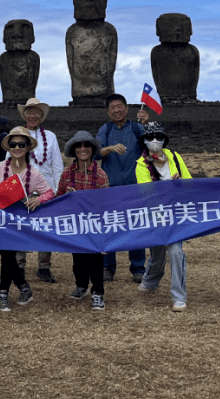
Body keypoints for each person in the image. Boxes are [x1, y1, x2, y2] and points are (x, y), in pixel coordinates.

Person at [0, 126, 56, 311]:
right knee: (7, 256)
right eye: (13, 144)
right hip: (1, 219)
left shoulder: (34, 173)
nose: (17, 148)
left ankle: (3, 292)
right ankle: (23, 287)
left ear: (28, 147)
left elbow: (50, 192)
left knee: (8, 256)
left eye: (21, 144)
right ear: (9, 147)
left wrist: (38, 199)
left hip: (19, 221)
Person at [135, 122, 193, 311]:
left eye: (159, 137)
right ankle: (150, 281)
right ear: (144, 141)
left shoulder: (175, 158)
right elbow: (148, 194)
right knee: (157, 254)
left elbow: (189, 183)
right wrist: (171, 188)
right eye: (150, 138)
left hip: (176, 215)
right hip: (156, 215)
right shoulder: (141, 165)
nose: (154, 141)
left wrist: (179, 184)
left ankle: (178, 296)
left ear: (164, 140)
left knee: (176, 252)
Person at [96, 93, 149, 283]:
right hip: (110, 187)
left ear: (126, 108)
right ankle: (108, 267)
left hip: (134, 186)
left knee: (136, 226)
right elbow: (96, 153)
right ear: (108, 111)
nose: (117, 110)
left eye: (120, 106)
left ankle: (138, 267)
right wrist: (110, 148)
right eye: (113, 108)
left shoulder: (136, 128)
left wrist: (147, 125)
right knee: (110, 226)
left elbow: (152, 147)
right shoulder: (106, 129)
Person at [58, 131, 110, 311]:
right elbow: (58, 197)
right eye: (79, 146)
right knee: (78, 259)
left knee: (95, 259)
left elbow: (106, 204)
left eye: (86, 145)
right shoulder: (66, 174)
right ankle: (81, 286)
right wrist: (67, 196)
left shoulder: (100, 175)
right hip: (74, 224)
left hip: (94, 224)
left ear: (92, 149)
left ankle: (98, 292)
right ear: (74, 150)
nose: (83, 149)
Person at [13, 98, 63, 283]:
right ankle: (19, 266)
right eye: (29, 112)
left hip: (46, 191)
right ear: (24, 115)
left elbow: (57, 164)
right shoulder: (17, 135)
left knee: (45, 230)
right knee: (20, 229)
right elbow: (7, 163)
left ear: (41, 115)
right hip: (21, 190)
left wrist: (56, 190)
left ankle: (44, 267)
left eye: (36, 112)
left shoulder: (50, 136)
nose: (32, 115)